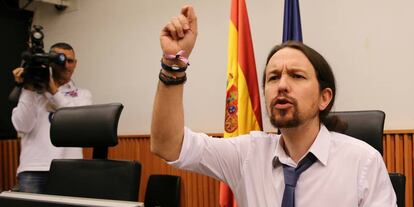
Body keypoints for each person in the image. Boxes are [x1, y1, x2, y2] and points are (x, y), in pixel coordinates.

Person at [151, 5, 397, 207]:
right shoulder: (247, 154)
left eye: (297, 76)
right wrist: (174, 62)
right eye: (273, 77)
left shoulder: (363, 162)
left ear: (325, 97)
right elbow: (167, 145)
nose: (282, 85)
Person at [11, 42, 92, 193]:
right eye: (61, 61)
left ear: (76, 63)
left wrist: (53, 91)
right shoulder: (31, 91)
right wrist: (28, 88)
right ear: (50, 63)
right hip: (33, 168)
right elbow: (22, 126)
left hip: (70, 168)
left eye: (70, 61)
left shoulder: (82, 94)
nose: (66, 65)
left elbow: (77, 123)